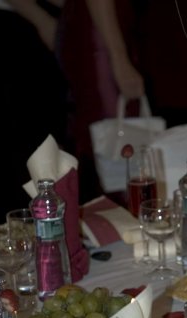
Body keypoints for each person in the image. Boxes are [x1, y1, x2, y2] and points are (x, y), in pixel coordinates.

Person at [56, 0, 145, 203]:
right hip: (102, 39)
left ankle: (107, 213)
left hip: (100, 30)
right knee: (112, 142)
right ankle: (115, 215)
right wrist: (119, 57)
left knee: (102, 139)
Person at [0, 0, 68, 225]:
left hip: (30, 23)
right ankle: (23, 230)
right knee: (26, 142)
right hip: (12, 26)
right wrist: (42, 19)